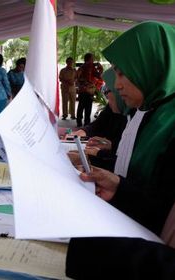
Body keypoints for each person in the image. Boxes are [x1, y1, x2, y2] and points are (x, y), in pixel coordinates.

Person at [80, 21, 175, 236]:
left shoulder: (166, 123)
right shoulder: (149, 113)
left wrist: (119, 188)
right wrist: (116, 184)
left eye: (123, 74)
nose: (118, 85)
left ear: (152, 65)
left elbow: (163, 211)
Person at [76, 53, 103, 127]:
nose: (93, 60)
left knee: (81, 106)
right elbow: (99, 76)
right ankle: (86, 122)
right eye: (92, 58)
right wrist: (101, 69)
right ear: (90, 59)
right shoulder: (91, 66)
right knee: (88, 106)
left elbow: (77, 78)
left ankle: (79, 122)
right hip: (89, 89)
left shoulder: (81, 67)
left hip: (82, 89)